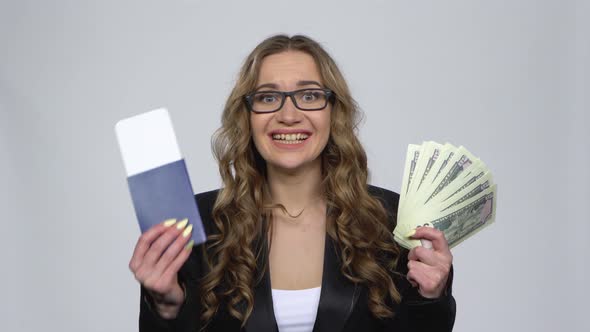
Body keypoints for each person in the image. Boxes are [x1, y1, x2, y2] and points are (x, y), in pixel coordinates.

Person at [129, 34, 456, 332]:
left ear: (333, 111)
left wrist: (431, 299)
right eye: (268, 97)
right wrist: (166, 307)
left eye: (309, 95)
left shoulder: (393, 220)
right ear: (248, 115)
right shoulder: (195, 223)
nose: (288, 114)